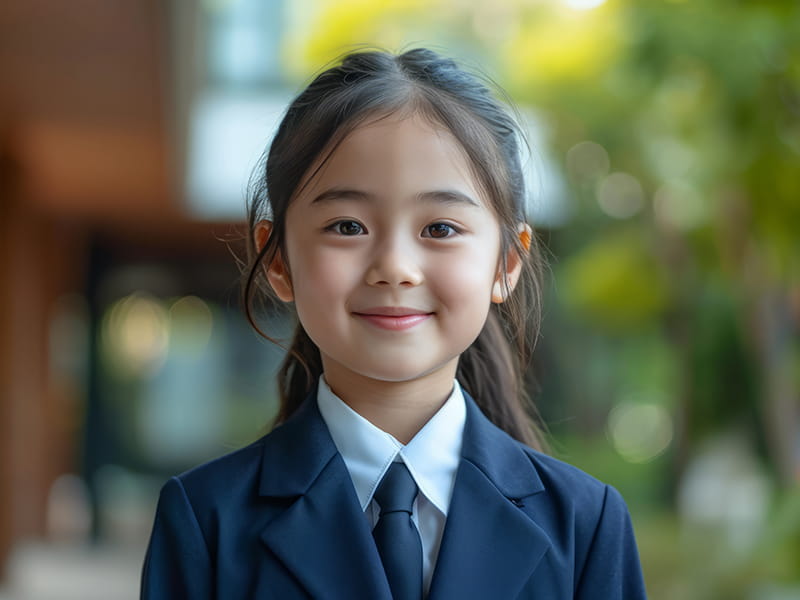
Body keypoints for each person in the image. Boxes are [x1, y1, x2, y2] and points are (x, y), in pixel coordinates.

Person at [141, 48, 646, 599]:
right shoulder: (206, 521)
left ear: (506, 264)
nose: (395, 269)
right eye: (348, 225)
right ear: (279, 259)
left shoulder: (585, 525)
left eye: (441, 229)